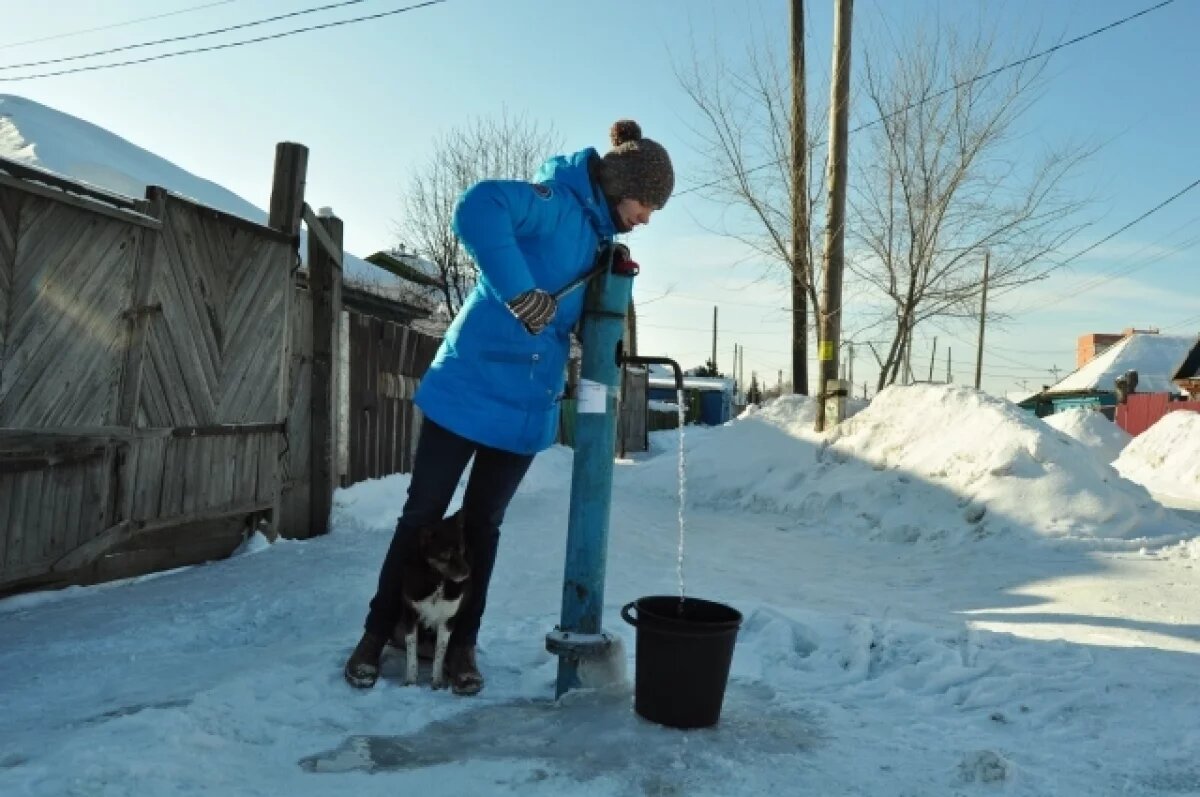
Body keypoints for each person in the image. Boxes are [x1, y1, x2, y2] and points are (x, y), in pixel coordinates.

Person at [344, 119, 674, 695]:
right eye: (646, 203)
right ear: (620, 184)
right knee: (422, 517)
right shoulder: (555, 204)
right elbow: (477, 206)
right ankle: (379, 633)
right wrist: (519, 291)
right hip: (469, 387)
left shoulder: (599, 239)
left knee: (484, 528)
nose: (647, 217)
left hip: (525, 406)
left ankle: (461, 647)